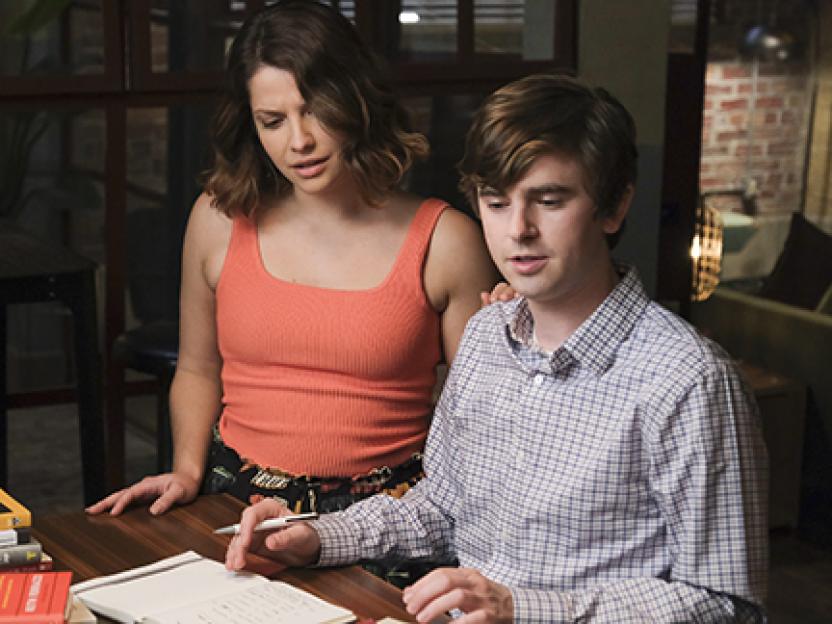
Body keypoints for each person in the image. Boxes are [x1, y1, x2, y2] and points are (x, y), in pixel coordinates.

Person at [224, 74, 769, 623]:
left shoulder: (689, 380)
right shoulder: (487, 337)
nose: (519, 230)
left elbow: (726, 603)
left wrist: (522, 609)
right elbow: (441, 507)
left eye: (549, 200)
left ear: (614, 207)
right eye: (497, 202)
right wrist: (314, 537)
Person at [87, 0, 497, 524]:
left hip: (389, 516)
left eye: (315, 110)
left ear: (355, 100)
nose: (299, 141)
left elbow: (481, 415)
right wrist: (187, 471)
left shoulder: (447, 241)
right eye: (273, 121)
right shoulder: (219, 219)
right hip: (232, 498)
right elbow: (197, 367)